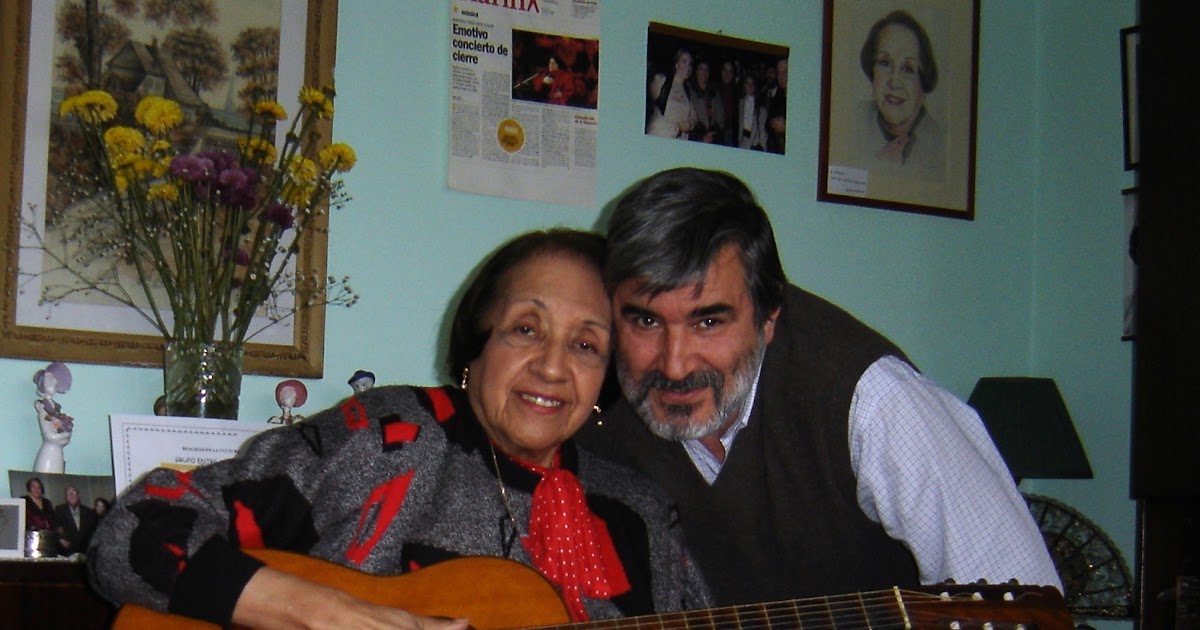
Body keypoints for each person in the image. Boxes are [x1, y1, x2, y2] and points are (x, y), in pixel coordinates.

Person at [88, 228, 709, 629]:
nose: (551, 366)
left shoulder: (641, 515)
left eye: (585, 345)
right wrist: (328, 615)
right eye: (526, 328)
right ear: (475, 346)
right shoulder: (392, 439)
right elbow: (133, 531)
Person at [576, 168, 1060, 606]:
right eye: (645, 321)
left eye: (708, 322)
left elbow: (1021, 606)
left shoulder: (872, 402)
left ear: (769, 316)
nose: (675, 365)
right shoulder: (593, 398)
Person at [850, 10, 945, 176]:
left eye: (908, 68)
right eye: (884, 63)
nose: (894, 82)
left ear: (923, 82)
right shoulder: (851, 120)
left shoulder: (940, 143)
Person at [645, 48, 698, 139]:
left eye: (690, 64)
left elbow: (694, 117)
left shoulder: (688, 91)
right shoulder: (662, 81)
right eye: (684, 61)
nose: (688, 67)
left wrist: (690, 124)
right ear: (676, 64)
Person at [33, 362, 74, 473]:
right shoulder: (42, 406)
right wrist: (65, 436)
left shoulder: (56, 408)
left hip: (57, 453)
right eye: (50, 379)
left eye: (55, 380)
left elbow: (61, 437)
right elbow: (49, 436)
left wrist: (64, 435)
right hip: (48, 454)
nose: (54, 382)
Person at [686, 58, 723, 144]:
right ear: (696, 71)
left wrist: (712, 133)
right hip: (695, 137)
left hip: (713, 137)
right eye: (701, 69)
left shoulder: (714, 92)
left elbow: (720, 117)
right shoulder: (689, 90)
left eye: (706, 70)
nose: (704, 72)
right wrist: (701, 135)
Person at [55, 485, 99, 555]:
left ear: (78, 495)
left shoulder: (88, 512)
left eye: (73, 493)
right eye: (68, 493)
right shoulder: (59, 510)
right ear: (66, 497)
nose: (71, 495)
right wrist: (60, 539)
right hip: (67, 551)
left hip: (85, 551)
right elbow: (56, 527)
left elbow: (92, 531)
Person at [764, 58, 787, 154]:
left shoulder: (801, 98)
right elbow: (767, 124)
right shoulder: (776, 96)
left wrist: (786, 127)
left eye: (785, 72)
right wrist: (772, 123)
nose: (781, 76)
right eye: (779, 73)